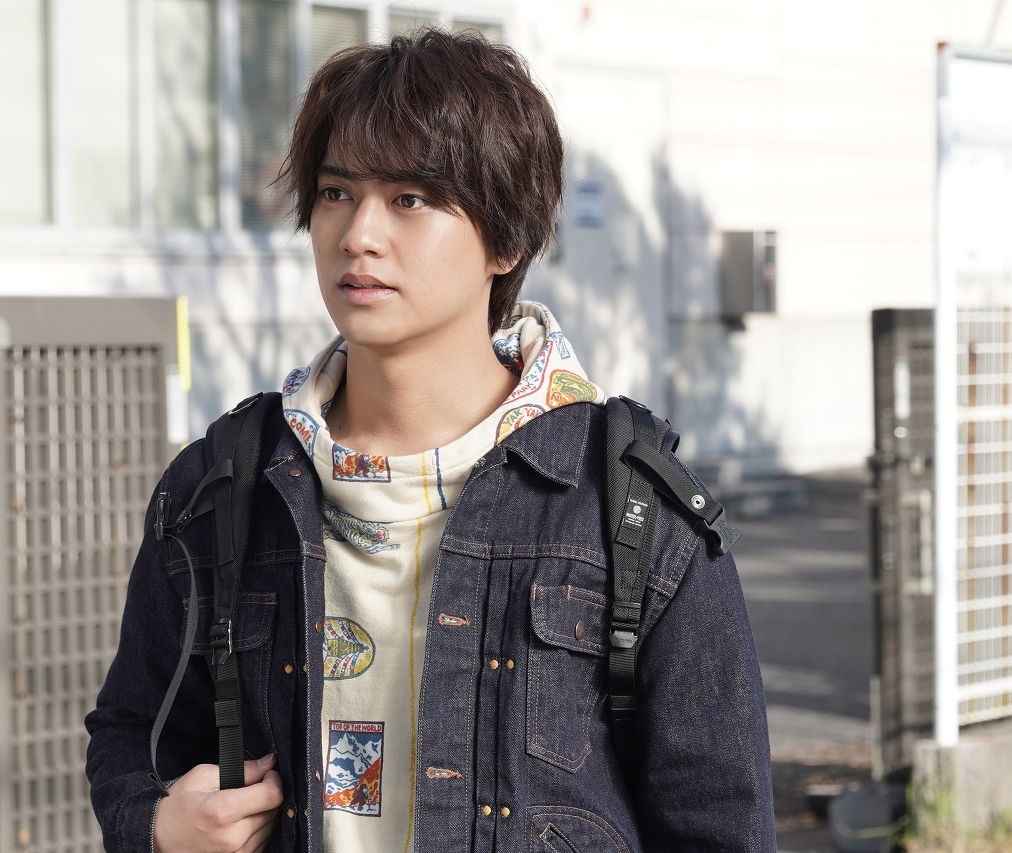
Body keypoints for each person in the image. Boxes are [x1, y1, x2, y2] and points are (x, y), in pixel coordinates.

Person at [86, 27, 774, 853]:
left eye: (410, 199)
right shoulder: (224, 483)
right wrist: (156, 824)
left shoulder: (627, 510)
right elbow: (132, 729)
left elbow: (719, 825)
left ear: (507, 239)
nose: (359, 234)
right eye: (336, 192)